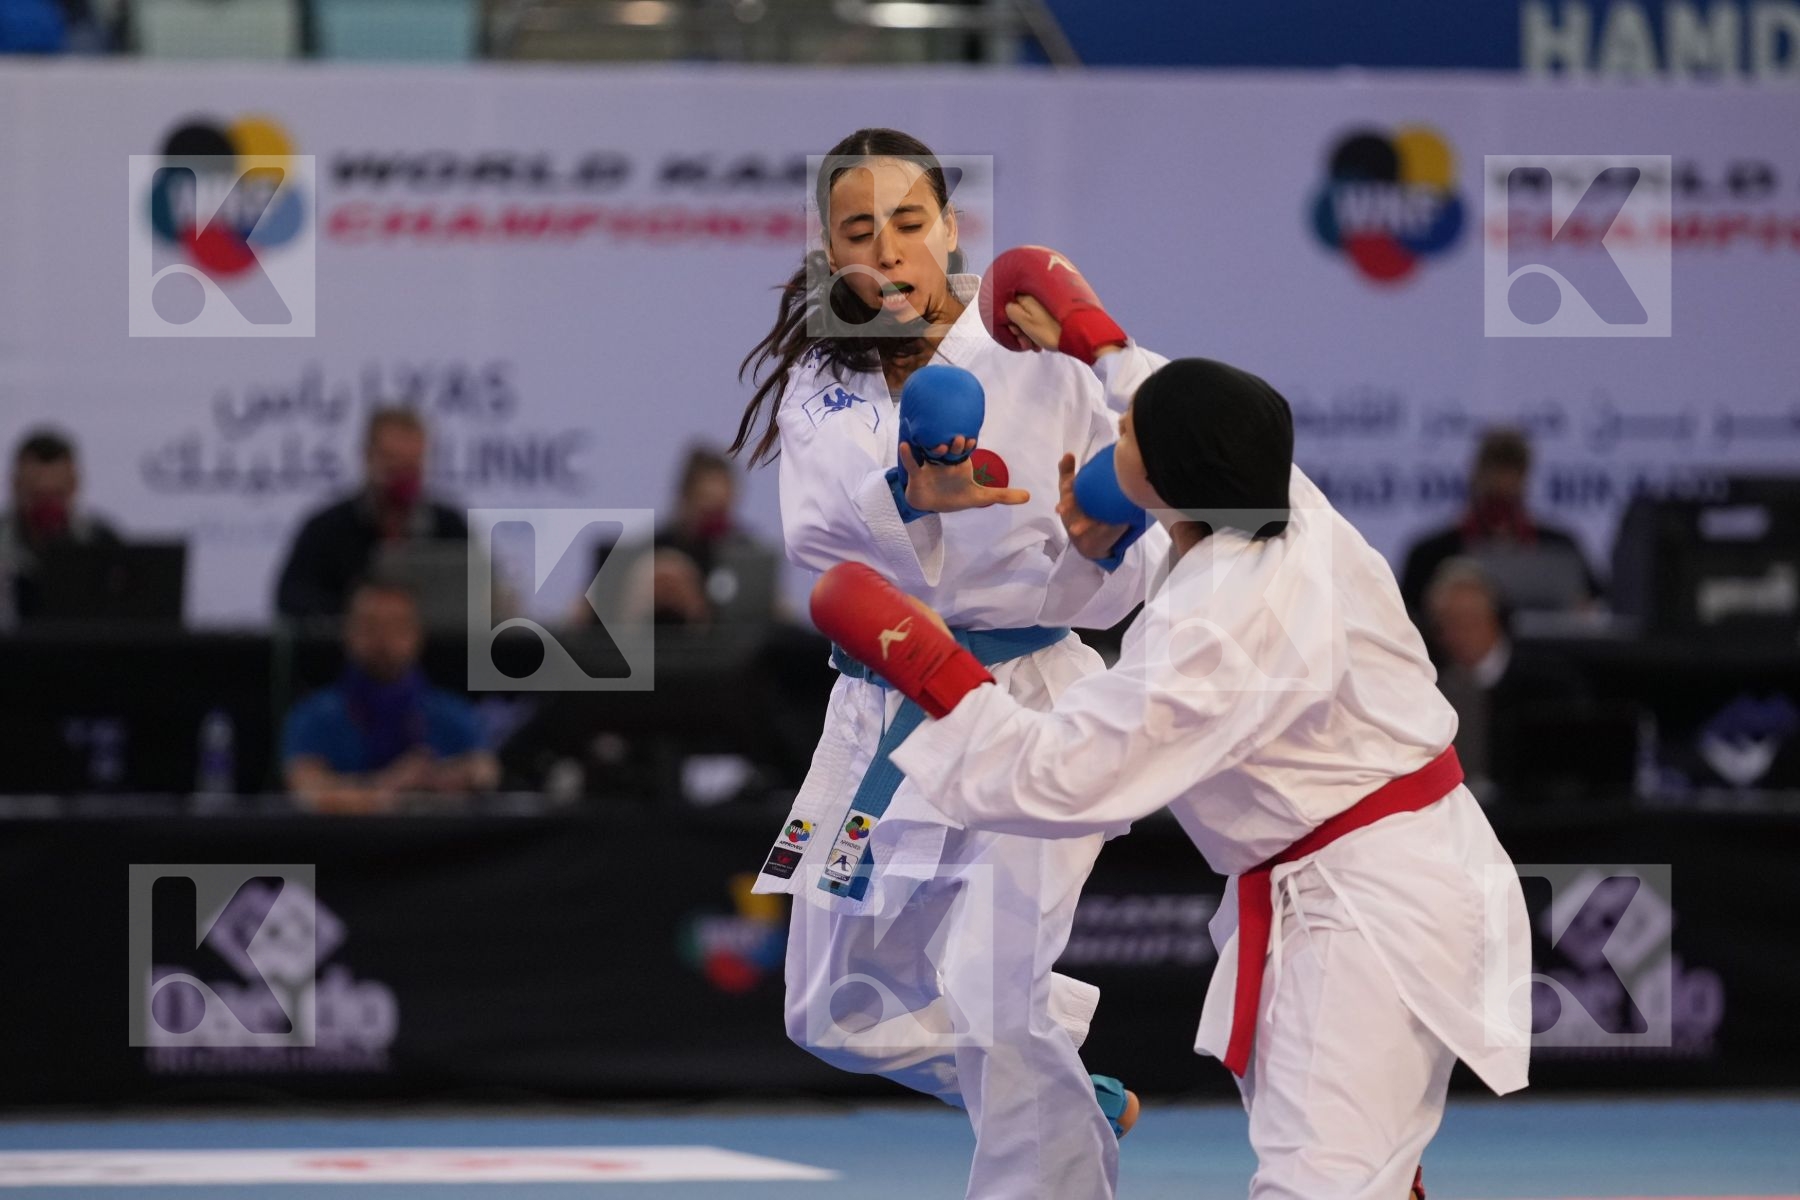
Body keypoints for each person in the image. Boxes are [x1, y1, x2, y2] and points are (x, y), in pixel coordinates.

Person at [812, 318, 1532, 1199]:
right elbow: (1165, 402)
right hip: (1378, 869)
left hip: (1364, 910)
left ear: (1162, 479)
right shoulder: (1288, 502)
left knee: (1317, 1185)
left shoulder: (1216, 631)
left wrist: (937, 672)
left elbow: (1059, 776)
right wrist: (1095, 338)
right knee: (1348, 1168)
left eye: (1122, 438)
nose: (1110, 438)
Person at [731, 129, 1161, 1200]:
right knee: (828, 1009)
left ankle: (1036, 1089)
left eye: (909, 225)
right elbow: (824, 542)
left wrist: (1102, 542)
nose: (887, 254)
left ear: (952, 232)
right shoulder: (823, 383)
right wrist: (913, 492)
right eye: (859, 232)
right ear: (831, 253)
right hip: (885, 708)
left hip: (1026, 706)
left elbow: (1128, 553)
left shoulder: (1036, 351)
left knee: (991, 994)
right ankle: (1062, 1077)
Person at [283, 578, 498, 814]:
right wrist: (391, 785)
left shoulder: (453, 713)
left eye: (396, 626)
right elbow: (307, 788)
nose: (383, 640)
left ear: (417, 635)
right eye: (370, 626)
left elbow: (485, 772)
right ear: (348, 633)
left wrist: (447, 778)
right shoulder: (314, 717)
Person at [275, 407, 467, 619]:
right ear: (368, 457)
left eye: (411, 465)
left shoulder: (449, 526)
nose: (402, 475)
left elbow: (485, 596)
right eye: (392, 462)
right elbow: (291, 598)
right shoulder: (327, 529)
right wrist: (356, 612)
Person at [1399, 426, 1601, 620]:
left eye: (1512, 474)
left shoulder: (1561, 548)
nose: (1503, 485)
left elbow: (1594, 607)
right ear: (1475, 476)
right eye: (1495, 473)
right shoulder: (1429, 555)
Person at [1426, 557, 1588, 798]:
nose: (1460, 634)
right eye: (1450, 624)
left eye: (1471, 620)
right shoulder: (1432, 689)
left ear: (1495, 619)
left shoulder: (1550, 682)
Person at [0, 429, 122, 628]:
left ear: (74, 485)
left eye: (57, 495)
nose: (48, 506)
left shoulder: (102, 541)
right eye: (37, 495)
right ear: (15, 485)